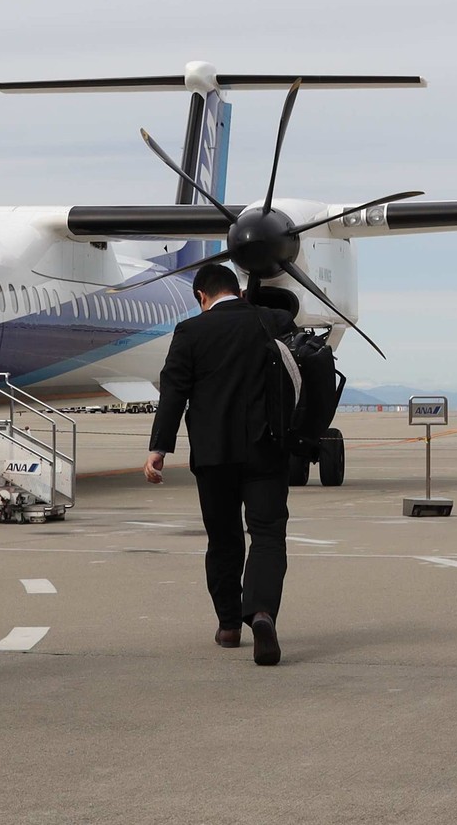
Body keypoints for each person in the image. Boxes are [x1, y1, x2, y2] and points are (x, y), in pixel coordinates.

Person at [145, 263, 298, 664]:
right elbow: (290, 322)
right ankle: (262, 612)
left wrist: (158, 449)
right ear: (240, 292)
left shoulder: (190, 332)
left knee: (224, 539)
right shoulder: (270, 321)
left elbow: (173, 393)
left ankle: (229, 625)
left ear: (201, 297)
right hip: (266, 449)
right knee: (267, 536)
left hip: (213, 457)